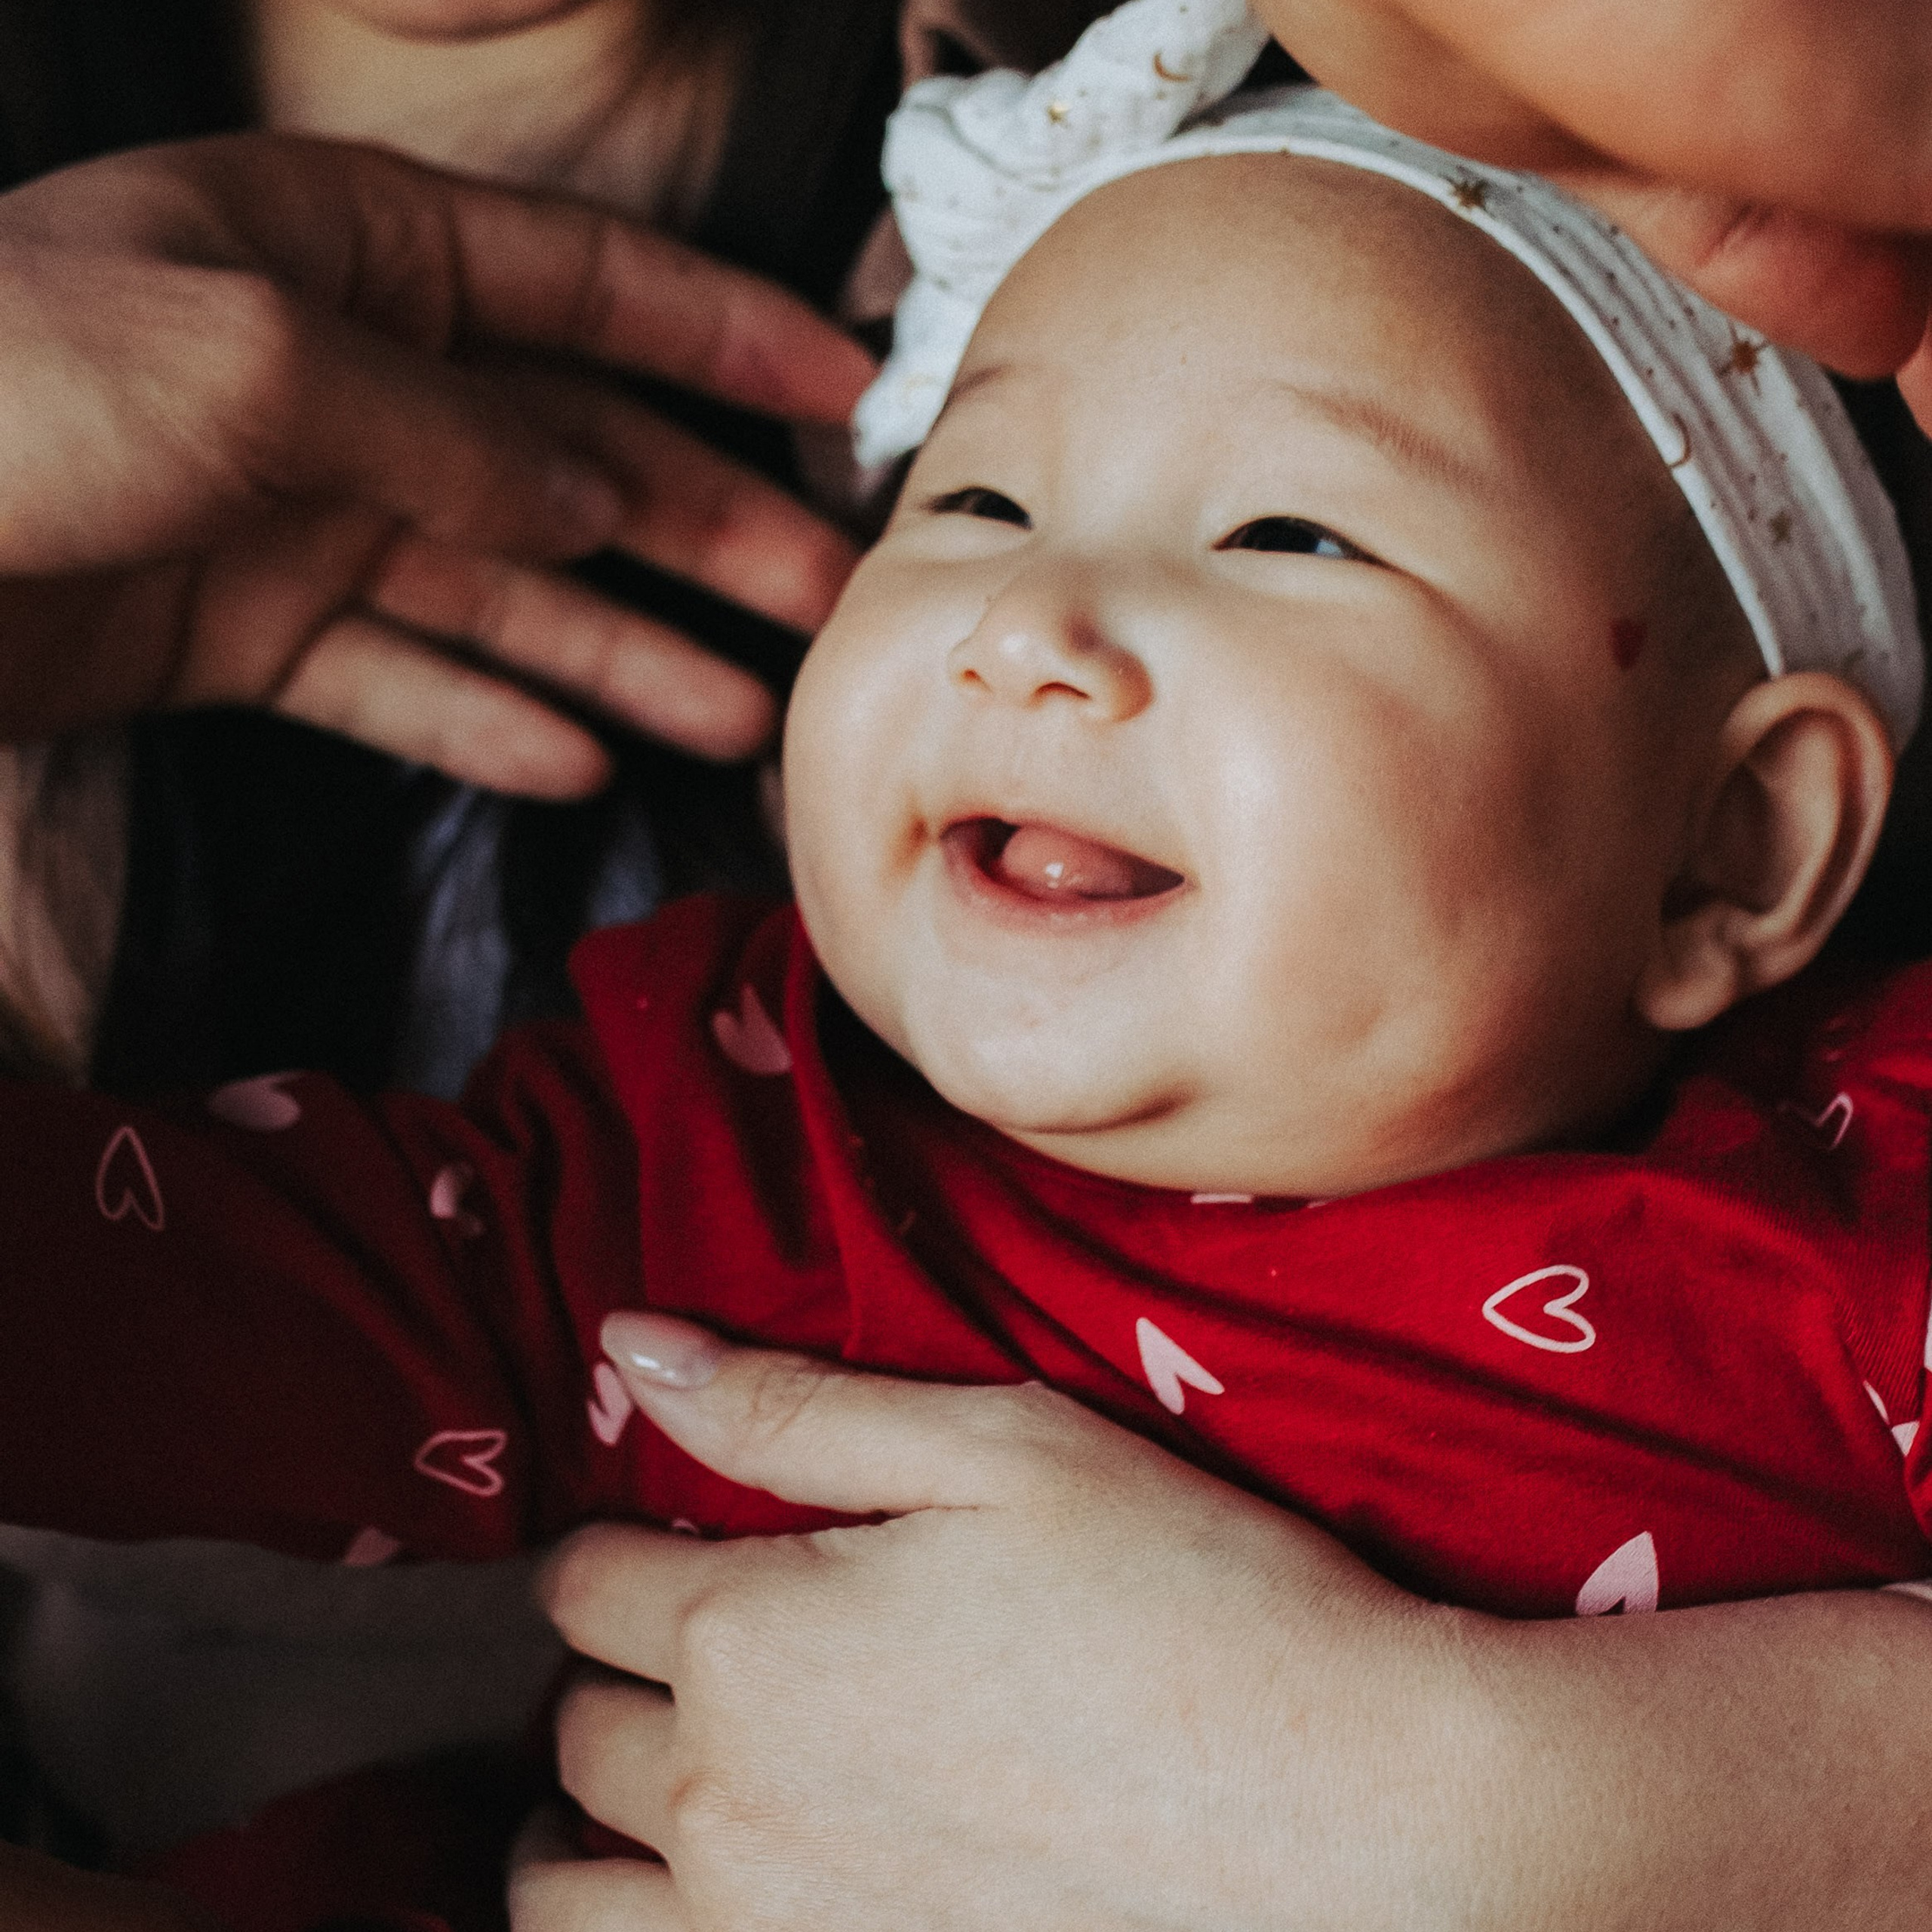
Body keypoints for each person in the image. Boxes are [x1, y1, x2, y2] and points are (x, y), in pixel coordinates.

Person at [2, 13, 1931, 1930]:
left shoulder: (1860, 1213)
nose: (1028, 625)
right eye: (975, 502)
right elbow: (170, 1309)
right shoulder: (715, 1128)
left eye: (1287, 531)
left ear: (1728, 847)